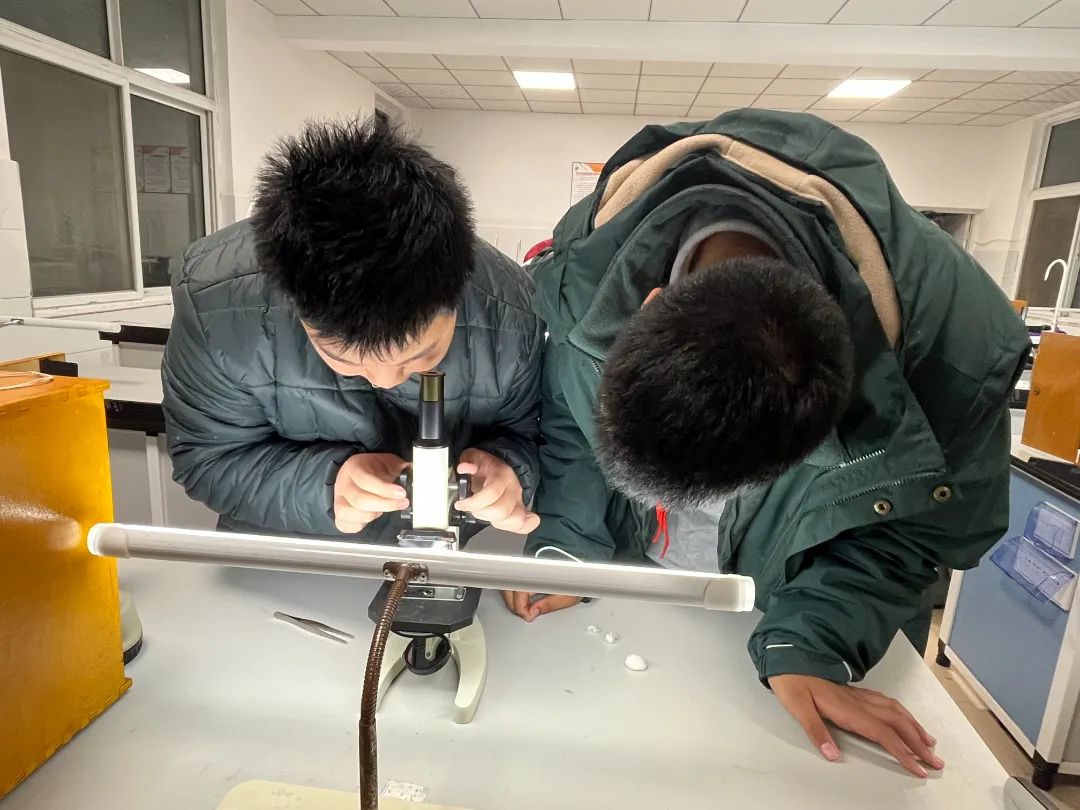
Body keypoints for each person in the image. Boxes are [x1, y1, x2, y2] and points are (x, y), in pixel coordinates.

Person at [508, 110, 1030, 777]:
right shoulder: (588, 270)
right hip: (634, 594)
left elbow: (917, 528)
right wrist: (571, 543)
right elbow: (571, 415)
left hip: (787, 604)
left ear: (841, 407)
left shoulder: (956, 355)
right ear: (649, 305)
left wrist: (813, 638)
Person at [162, 116, 543, 542]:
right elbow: (208, 459)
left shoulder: (515, 308)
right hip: (288, 551)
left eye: (419, 356)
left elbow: (536, 436)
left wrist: (510, 471)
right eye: (343, 358)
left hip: (438, 551)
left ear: (459, 294)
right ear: (294, 305)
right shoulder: (217, 306)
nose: (385, 380)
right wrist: (326, 486)